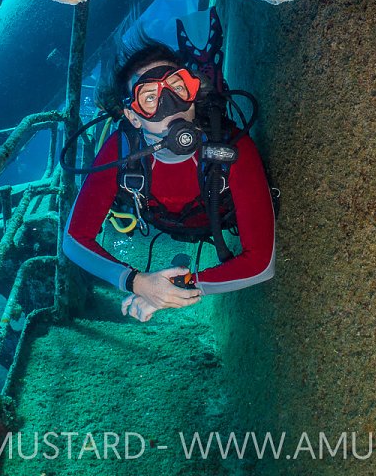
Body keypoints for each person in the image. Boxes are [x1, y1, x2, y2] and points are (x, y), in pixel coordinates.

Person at [63, 39, 276, 323]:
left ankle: (204, 63)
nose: (172, 106)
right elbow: (74, 239)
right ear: (133, 116)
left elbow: (262, 263)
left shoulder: (230, 148)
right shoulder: (121, 151)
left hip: (221, 218)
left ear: (192, 91)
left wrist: (177, 289)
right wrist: (138, 283)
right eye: (150, 97)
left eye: (178, 87)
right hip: (169, 220)